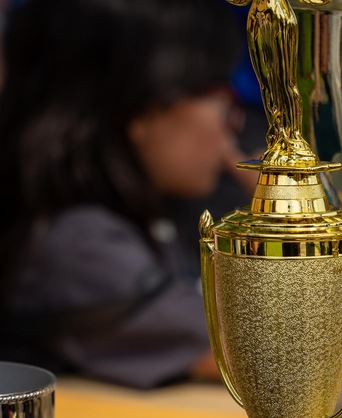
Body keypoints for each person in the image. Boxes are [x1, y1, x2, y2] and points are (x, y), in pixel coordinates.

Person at [0, 0, 250, 389]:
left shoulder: (137, 214)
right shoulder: (78, 242)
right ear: (143, 111)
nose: (234, 119)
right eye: (219, 91)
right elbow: (268, 359)